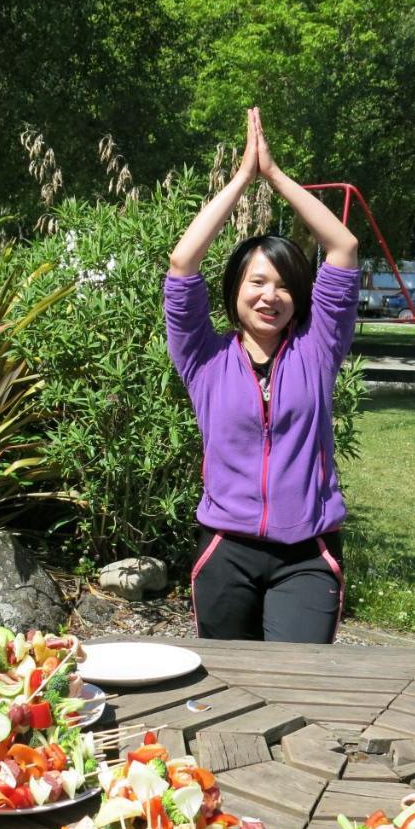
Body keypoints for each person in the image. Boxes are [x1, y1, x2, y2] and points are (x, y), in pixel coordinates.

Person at [165, 107, 360, 644]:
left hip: (307, 554)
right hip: (226, 548)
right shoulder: (203, 358)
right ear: (235, 291)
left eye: (282, 285)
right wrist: (240, 181)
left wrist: (275, 177)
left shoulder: (317, 349)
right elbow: (183, 264)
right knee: (227, 687)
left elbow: (342, 247)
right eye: (256, 282)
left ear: (298, 296)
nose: (268, 296)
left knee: (297, 686)